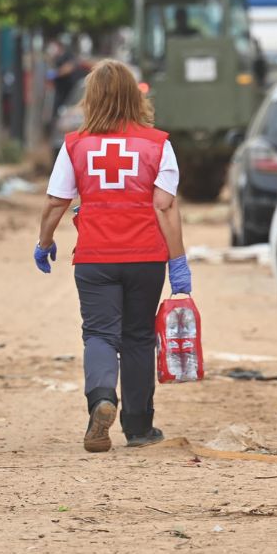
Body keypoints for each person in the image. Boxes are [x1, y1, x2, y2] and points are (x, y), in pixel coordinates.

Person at [33, 59, 192, 453]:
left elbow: (57, 202)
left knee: (100, 333)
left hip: (95, 257)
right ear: (134, 97)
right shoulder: (159, 145)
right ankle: (138, 427)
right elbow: (165, 207)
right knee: (138, 337)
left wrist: (45, 242)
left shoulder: (75, 144)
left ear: (93, 98)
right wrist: (178, 263)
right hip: (145, 256)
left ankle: (102, 399)